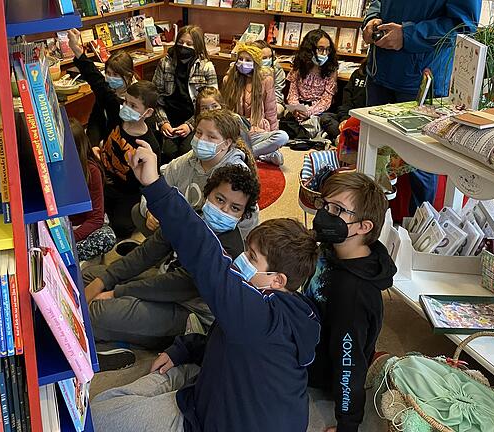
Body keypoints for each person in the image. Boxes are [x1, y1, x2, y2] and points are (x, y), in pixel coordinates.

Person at [90, 138, 321, 432]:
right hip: (214, 390)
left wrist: (155, 185)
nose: (242, 260)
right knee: (168, 375)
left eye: (252, 257)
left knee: (98, 414)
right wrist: (183, 349)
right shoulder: (278, 308)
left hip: (209, 419)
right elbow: (226, 341)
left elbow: (202, 251)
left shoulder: (253, 313)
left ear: (278, 280)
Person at [84, 164, 260, 350]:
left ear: (242, 215)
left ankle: (134, 338)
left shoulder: (229, 249)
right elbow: (147, 253)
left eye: (235, 208)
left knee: (97, 312)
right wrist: (105, 280)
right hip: (163, 281)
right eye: (219, 199)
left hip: (189, 312)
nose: (224, 210)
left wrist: (116, 292)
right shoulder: (192, 219)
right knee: (92, 275)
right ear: (207, 193)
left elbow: (174, 285)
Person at [361, 0, 480, 213]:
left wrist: (408, 35)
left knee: (421, 166)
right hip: (380, 72)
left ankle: (417, 233)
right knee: (374, 157)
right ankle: (369, 224)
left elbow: (463, 26)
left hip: (421, 80)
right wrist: (371, 19)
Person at [305, 171, 397, 432]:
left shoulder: (353, 295)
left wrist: (347, 425)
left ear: (363, 227)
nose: (324, 215)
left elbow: (349, 362)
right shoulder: (334, 247)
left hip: (318, 372)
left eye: (337, 210)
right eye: (325, 205)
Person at [67, 30, 161, 240]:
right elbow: (98, 83)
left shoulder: (149, 145)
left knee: (120, 228)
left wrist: (152, 209)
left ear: (147, 113)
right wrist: (78, 52)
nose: (125, 107)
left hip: (125, 192)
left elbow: (153, 181)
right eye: (125, 102)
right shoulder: (118, 113)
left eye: (133, 106)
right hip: (102, 175)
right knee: (81, 211)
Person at [132, 108, 259, 240]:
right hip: (184, 225)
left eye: (211, 136)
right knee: (138, 211)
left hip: (211, 238)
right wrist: (150, 212)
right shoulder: (188, 159)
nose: (201, 140)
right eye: (198, 133)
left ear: (226, 143)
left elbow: (248, 223)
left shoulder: (237, 173)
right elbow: (159, 183)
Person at [153, 25, 218, 162]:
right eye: (180, 42)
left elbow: (213, 107)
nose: (184, 46)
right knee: (167, 153)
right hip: (169, 118)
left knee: (187, 153)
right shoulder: (165, 63)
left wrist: (190, 125)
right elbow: (155, 97)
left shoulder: (206, 67)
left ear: (198, 47)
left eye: (189, 44)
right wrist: (163, 122)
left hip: (196, 119)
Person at [222, 42, 288, 166]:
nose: (243, 63)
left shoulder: (266, 80)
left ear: (256, 63)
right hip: (237, 131)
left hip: (258, 130)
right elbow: (225, 111)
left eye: (248, 60)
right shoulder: (228, 80)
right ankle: (261, 153)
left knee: (282, 136)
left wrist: (274, 140)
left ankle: (243, 155)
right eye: (240, 59)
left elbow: (271, 111)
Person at [68, 119, 116, 262]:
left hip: (81, 227)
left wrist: (70, 240)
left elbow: (96, 218)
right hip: (57, 224)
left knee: (106, 238)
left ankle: (67, 256)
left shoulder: (91, 171)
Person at [282, 29, 340, 140]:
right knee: (285, 122)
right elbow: (292, 93)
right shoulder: (299, 66)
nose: (324, 54)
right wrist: (296, 109)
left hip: (318, 110)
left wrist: (308, 112)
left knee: (322, 122)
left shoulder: (331, 70)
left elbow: (326, 101)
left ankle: (311, 135)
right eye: (320, 49)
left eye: (327, 50)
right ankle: (308, 134)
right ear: (310, 49)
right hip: (300, 106)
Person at [86, 50, 137, 146]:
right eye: (108, 73)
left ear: (128, 75)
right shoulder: (107, 90)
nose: (110, 77)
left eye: (115, 75)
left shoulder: (137, 98)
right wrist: (93, 145)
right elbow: (96, 119)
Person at [251, 40, 287, 118]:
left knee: (277, 110)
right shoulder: (248, 68)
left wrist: (267, 106)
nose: (268, 60)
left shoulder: (276, 68)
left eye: (270, 57)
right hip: (251, 101)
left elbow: (278, 92)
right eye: (264, 58)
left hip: (272, 100)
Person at [334, 57, 367, 130]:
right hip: (350, 115)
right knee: (325, 118)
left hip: (365, 121)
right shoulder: (357, 73)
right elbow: (346, 101)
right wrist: (344, 119)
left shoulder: (380, 80)